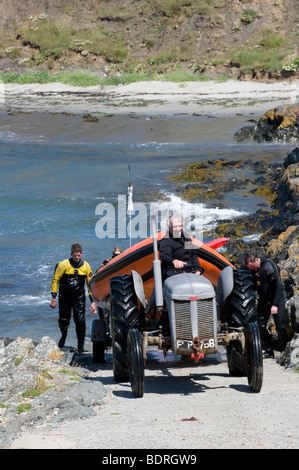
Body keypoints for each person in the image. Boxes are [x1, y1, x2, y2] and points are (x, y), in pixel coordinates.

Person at [50, 243, 97, 353]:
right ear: (71, 254)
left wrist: (93, 302)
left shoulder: (86, 266)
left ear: (81, 254)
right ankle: (63, 336)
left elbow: (90, 284)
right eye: (75, 255)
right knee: (64, 320)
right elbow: (55, 280)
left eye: (78, 255)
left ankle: (80, 347)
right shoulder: (63, 264)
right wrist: (53, 297)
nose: (77, 258)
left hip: (79, 297)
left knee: (80, 321)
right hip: (64, 297)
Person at [244, 253, 288, 358]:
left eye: (252, 266)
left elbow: (278, 287)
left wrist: (275, 305)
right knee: (261, 325)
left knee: (280, 326)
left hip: (276, 299)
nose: (252, 269)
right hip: (263, 300)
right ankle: (269, 351)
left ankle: (285, 349)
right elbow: (253, 286)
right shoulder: (254, 270)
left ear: (256, 260)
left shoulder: (268, 267)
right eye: (250, 268)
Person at [159, 214, 202, 280]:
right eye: (175, 227)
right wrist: (174, 261)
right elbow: (164, 256)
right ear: (169, 227)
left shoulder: (186, 237)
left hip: (188, 271)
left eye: (180, 226)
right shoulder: (166, 241)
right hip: (173, 272)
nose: (178, 229)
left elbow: (193, 255)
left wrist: (197, 269)